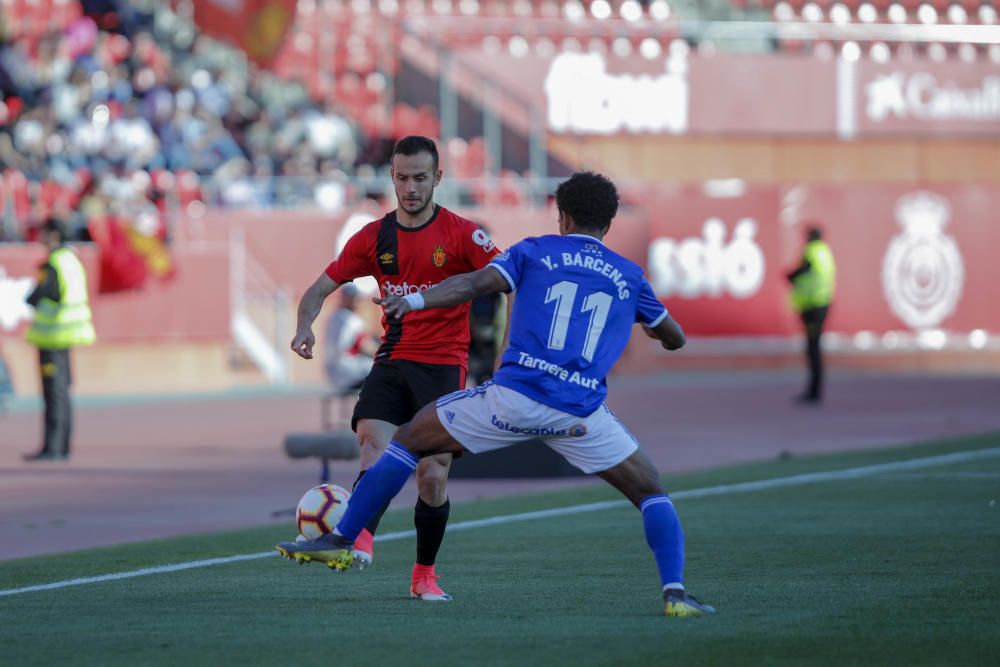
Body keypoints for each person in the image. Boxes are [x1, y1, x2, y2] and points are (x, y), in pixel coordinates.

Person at [277, 171, 716, 618]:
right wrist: (654, 326)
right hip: (579, 411)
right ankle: (676, 593)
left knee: (408, 439)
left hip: (515, 397)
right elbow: (674, 336)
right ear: (610, 221)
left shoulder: (534, 251)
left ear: (561, 216)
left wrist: (413, 302)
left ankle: (343, 538)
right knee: (651, 492)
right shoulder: (629, 275)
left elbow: (471, 285)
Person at [286, 135, 502, 601]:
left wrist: (508, 350)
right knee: (374, 447)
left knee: (432, 475)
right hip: (393, 358)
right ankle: (357, 543)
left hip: (444, 364)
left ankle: (424, 574)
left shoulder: (464, 235)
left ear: (438, 178)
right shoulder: (373, 237)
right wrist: (305, 325)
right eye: (402, 178)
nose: (410, 187)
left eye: (420, 178)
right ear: (392, 178)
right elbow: (319, 288)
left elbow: (509, 279)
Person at [22, 218, 96, 461]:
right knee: (62, 392)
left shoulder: (53, 263)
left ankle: (52, 447)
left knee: (54, 393)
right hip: (68, 333)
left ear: (53, 234)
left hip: (52, 334)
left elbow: (41, 294)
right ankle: (62, 446)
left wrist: (30, 298)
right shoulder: (72, 260)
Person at [786, 225, 836, 404]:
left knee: (813, 349)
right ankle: (815, 389)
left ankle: (814, 390)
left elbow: (804, 270)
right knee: (815, 347)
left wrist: (790, 276)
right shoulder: (825, 251)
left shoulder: (811, 251)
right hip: (823, 303)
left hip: (813, 305)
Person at [323, 283, 377, 393]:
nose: (358, 301)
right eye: (356, 298)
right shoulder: (351, 320)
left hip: (333, 374)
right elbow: (366, 347)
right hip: (350, 373)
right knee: (387, 369)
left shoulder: (332, 316)